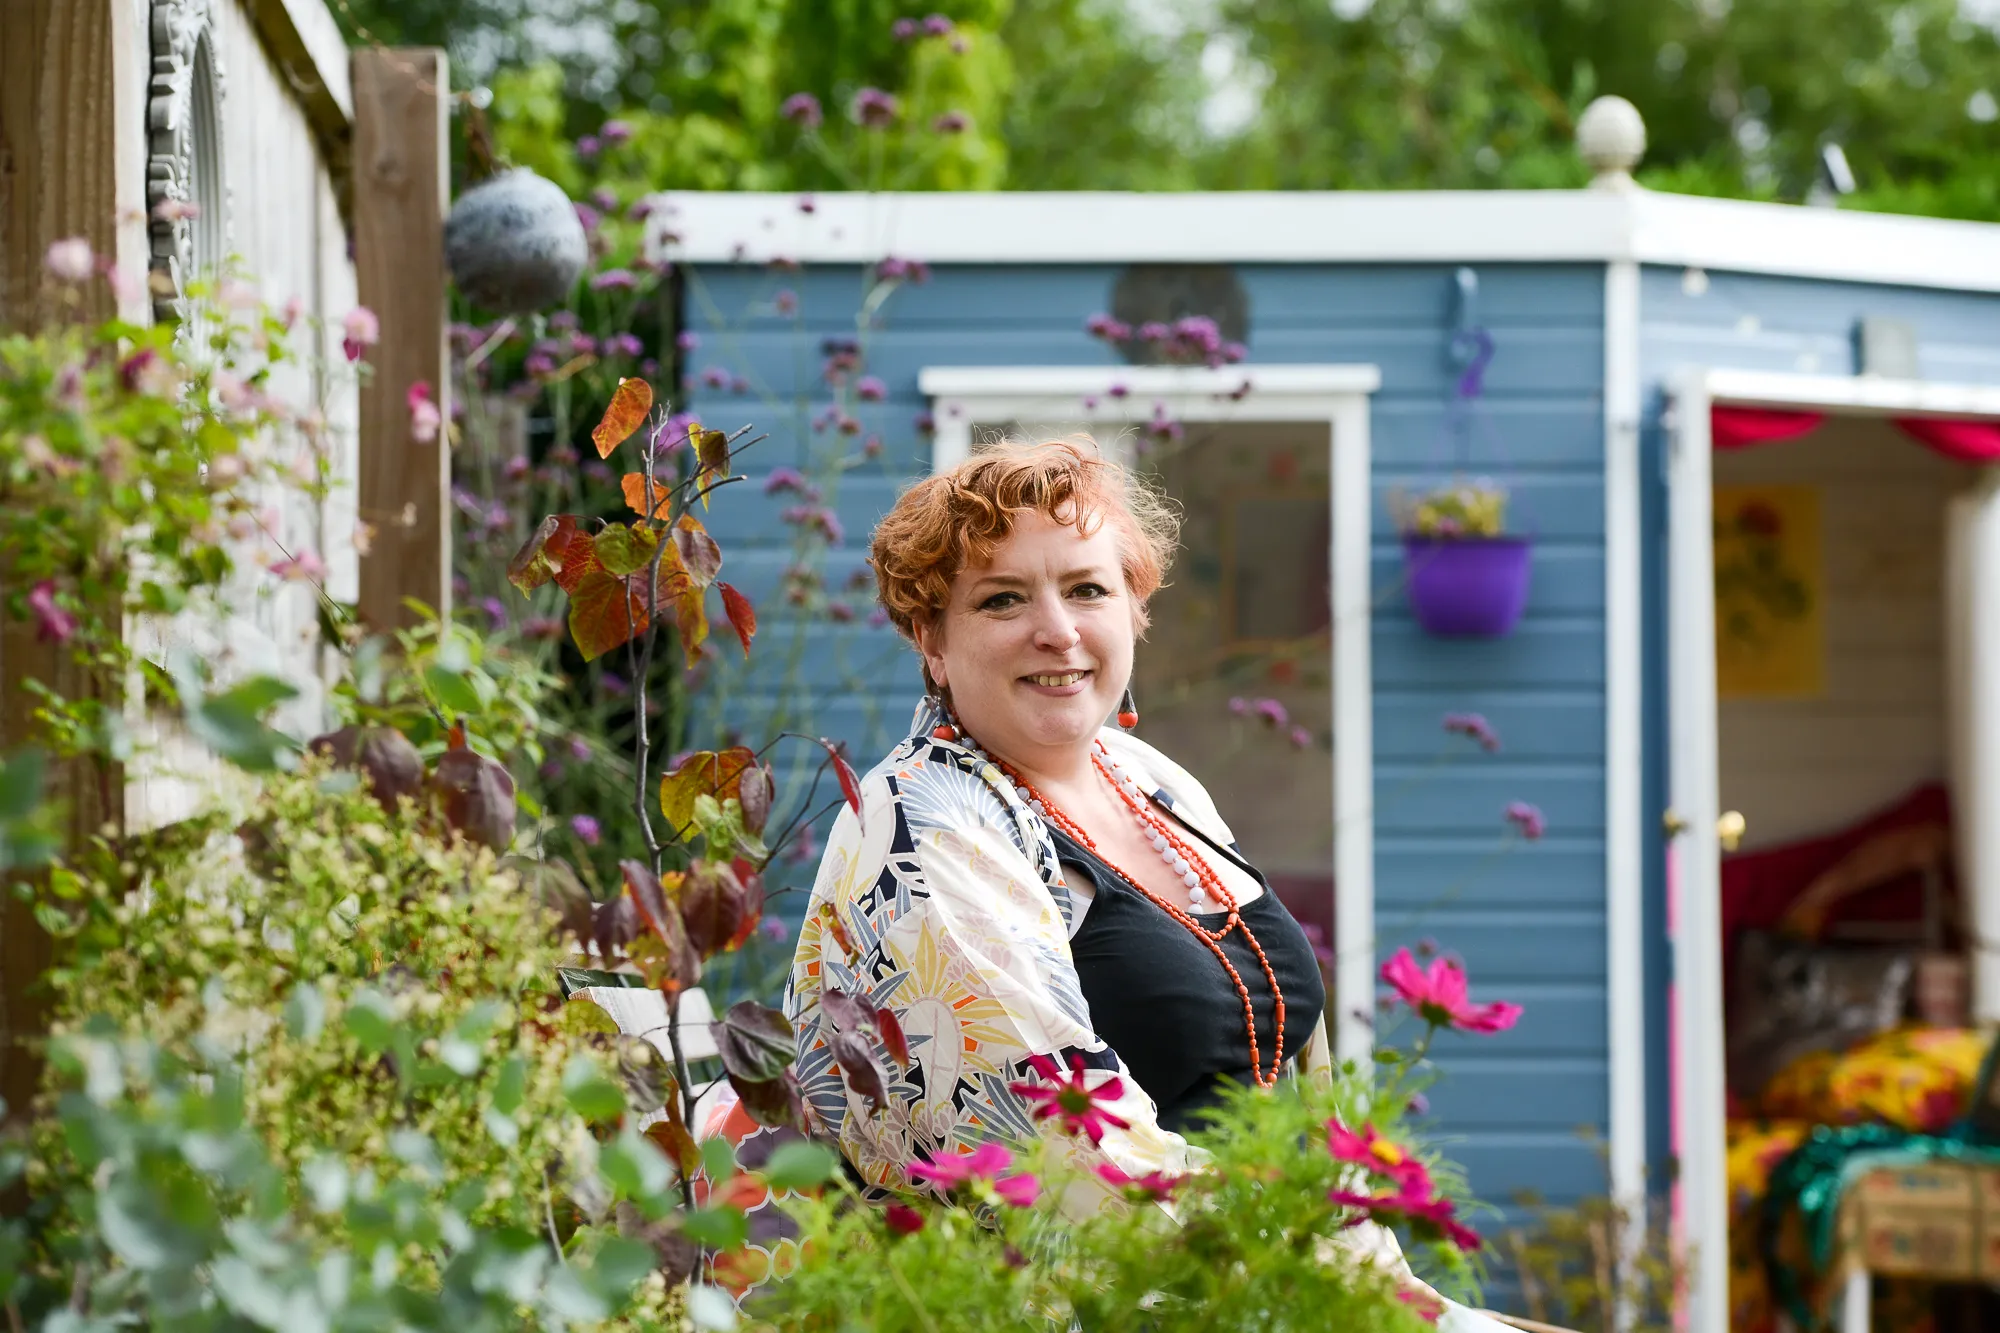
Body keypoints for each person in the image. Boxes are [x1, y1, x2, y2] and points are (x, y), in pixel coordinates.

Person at [786, 438, 1512, 1331]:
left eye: (1087, 588)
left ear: (1134, 608)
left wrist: (1392, 1289)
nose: (1057, 629)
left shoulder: (1150, 778)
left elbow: (1291, 1095)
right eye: (1004, 598)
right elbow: (1065, 1150)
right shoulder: (922, 825)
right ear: (931, 639)